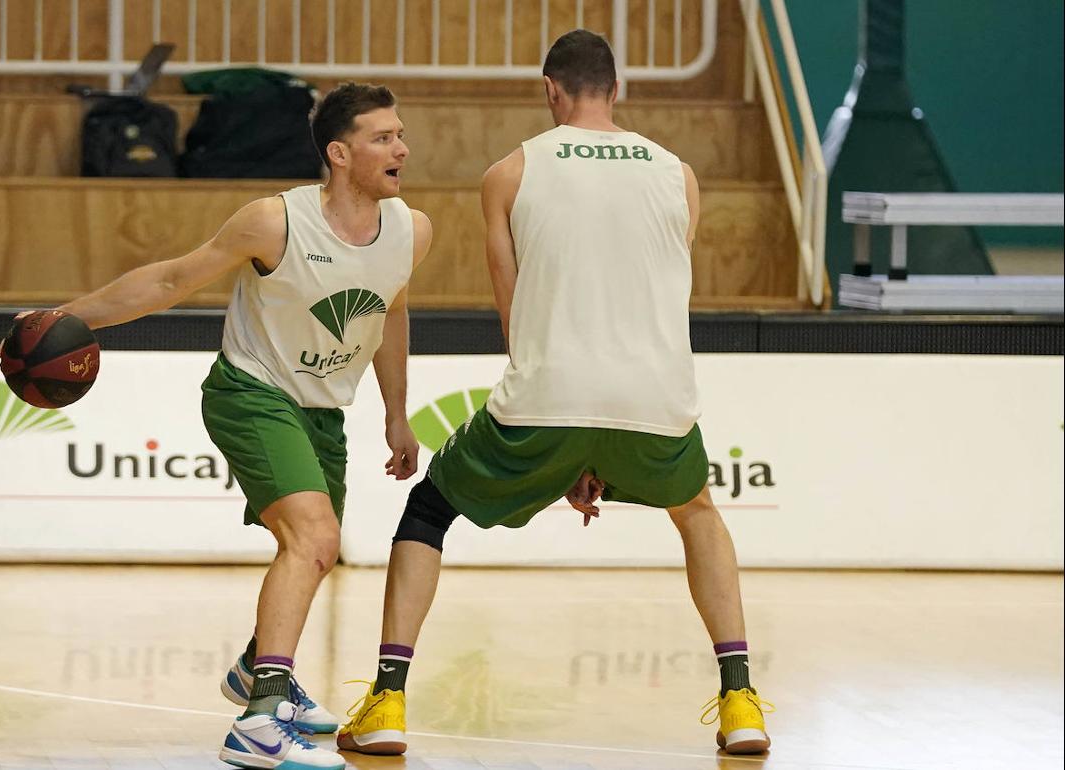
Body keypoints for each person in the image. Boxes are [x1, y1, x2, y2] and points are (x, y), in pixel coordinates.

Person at [337, 30, 773, 757]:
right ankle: (740, 701)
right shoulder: (679, 175)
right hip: (655, 398)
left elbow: (516, 314)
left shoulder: (508, 174)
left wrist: (566, 441)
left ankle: (386, 701)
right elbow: (657, 295)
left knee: (429, 509)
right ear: (616, 89)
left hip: (546, 394)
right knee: (697, 512)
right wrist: (594, 443)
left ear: (551, 90)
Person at [51, 83, 431, 770]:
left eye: (400, 134)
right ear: (340, 154)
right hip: (251, 392)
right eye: (383, 137)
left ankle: (258, 667)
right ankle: (260, 719)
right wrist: (65, 318)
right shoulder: (274, 221)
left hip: (322, 410)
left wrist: (397, 414)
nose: (401, 148)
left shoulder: (411, 230)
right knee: (314, 538)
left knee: (317, 550)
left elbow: (391, 313)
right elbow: (169, 281)